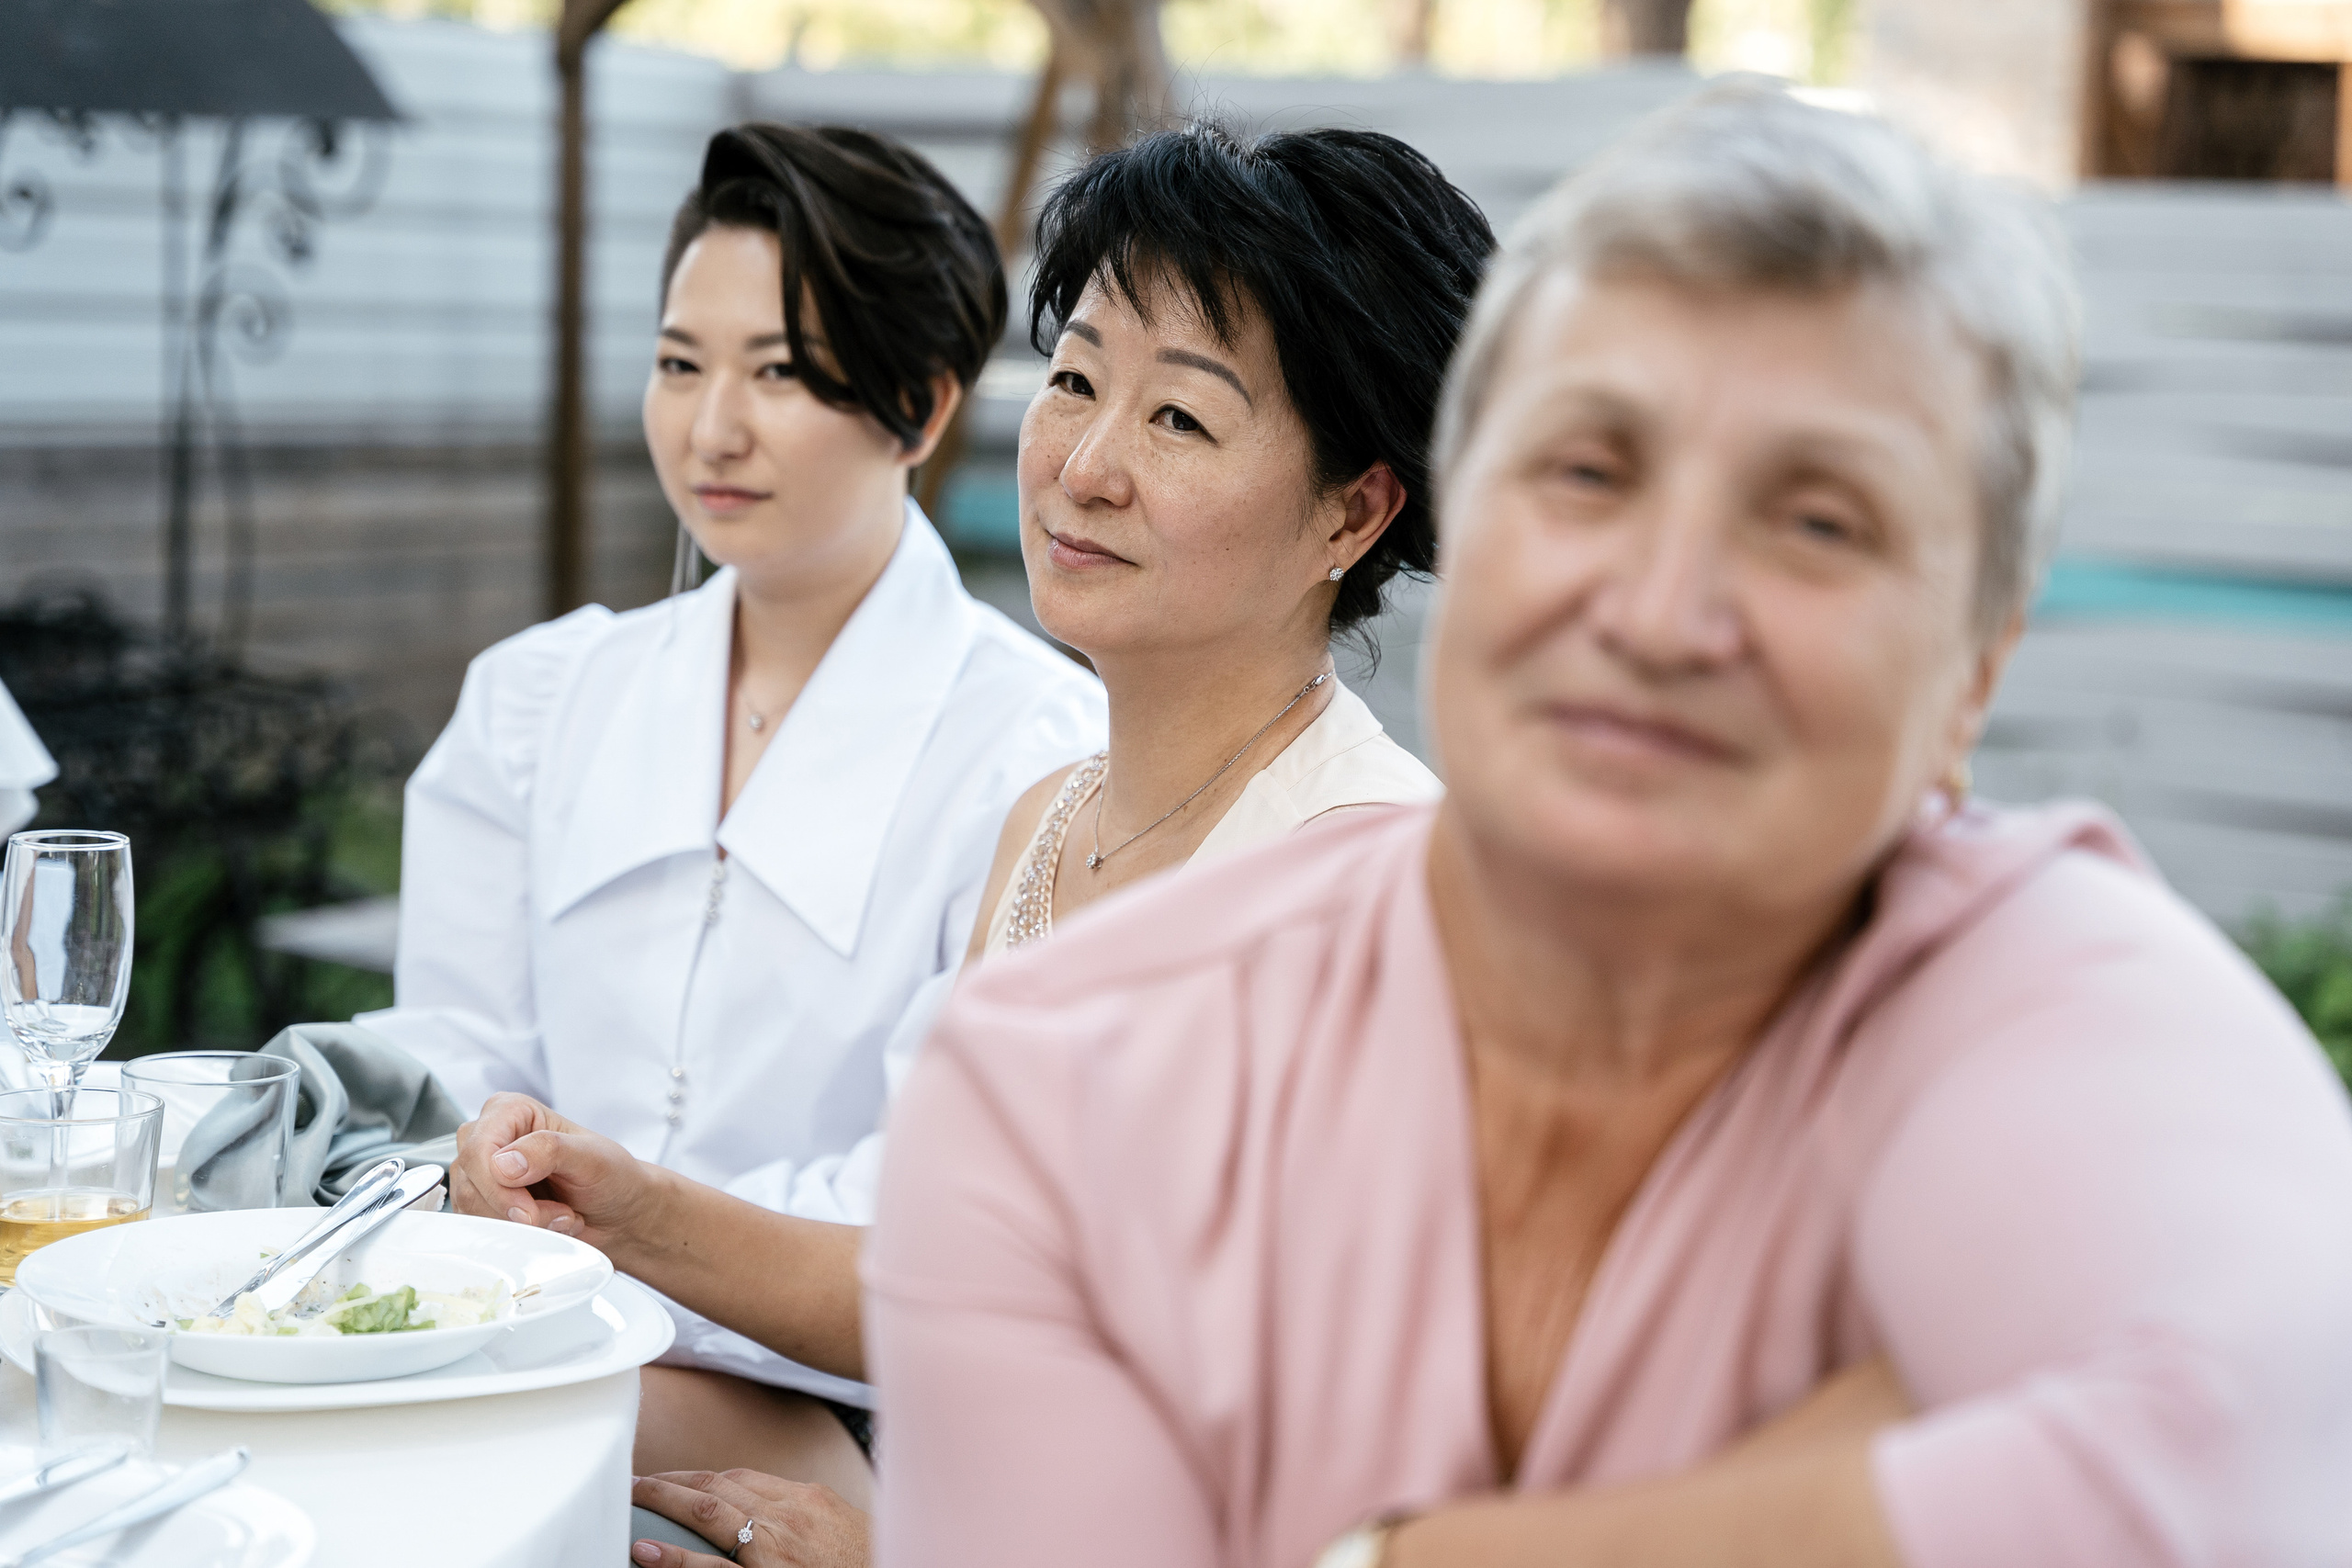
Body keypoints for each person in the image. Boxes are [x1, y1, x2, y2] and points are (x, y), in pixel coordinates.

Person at [862, 85, 2352, 1568]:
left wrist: (1377, 1556)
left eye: (1820, 522)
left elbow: (2243, 1457)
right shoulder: (1056, 1082)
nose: (1659, 612)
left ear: (1976, 668)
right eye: (1587, 473)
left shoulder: (2030, 997)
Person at [449, 122, 1498, 1567]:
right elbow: (964, 1287)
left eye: (1180, 420)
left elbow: (1352, 1488)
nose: (1084, 466)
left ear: (1352, 507)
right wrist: (624, 1205)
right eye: (1074, 382)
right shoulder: (1049, 821)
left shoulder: (1369, 888)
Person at [360, 121, 1106, 1495]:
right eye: (677, 364)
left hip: (860, 1425)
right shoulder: (537, 703)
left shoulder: (1039, 759)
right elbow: (445, 1059)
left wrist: (629, 1273)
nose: (711, 429)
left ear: (923, 406)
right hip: (514, 1345)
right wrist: (491, 1190)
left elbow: (937, 1215)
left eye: (776, 372)